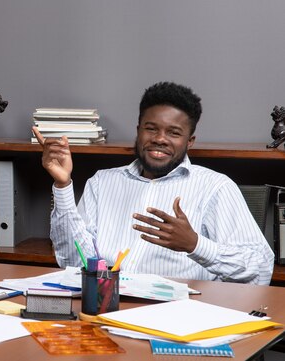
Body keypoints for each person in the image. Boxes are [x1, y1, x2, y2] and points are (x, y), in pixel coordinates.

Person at [33, 82, 274, 285]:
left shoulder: (215, 187)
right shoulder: (102, 182)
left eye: (174, 133)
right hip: (108, 309)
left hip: (180, 316)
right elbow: (74, 262)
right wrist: (63, 185)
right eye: (151, 129)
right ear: (138, 131)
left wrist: (195, 244)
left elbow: (261, 269)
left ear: (190, 141)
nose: (160, 139)